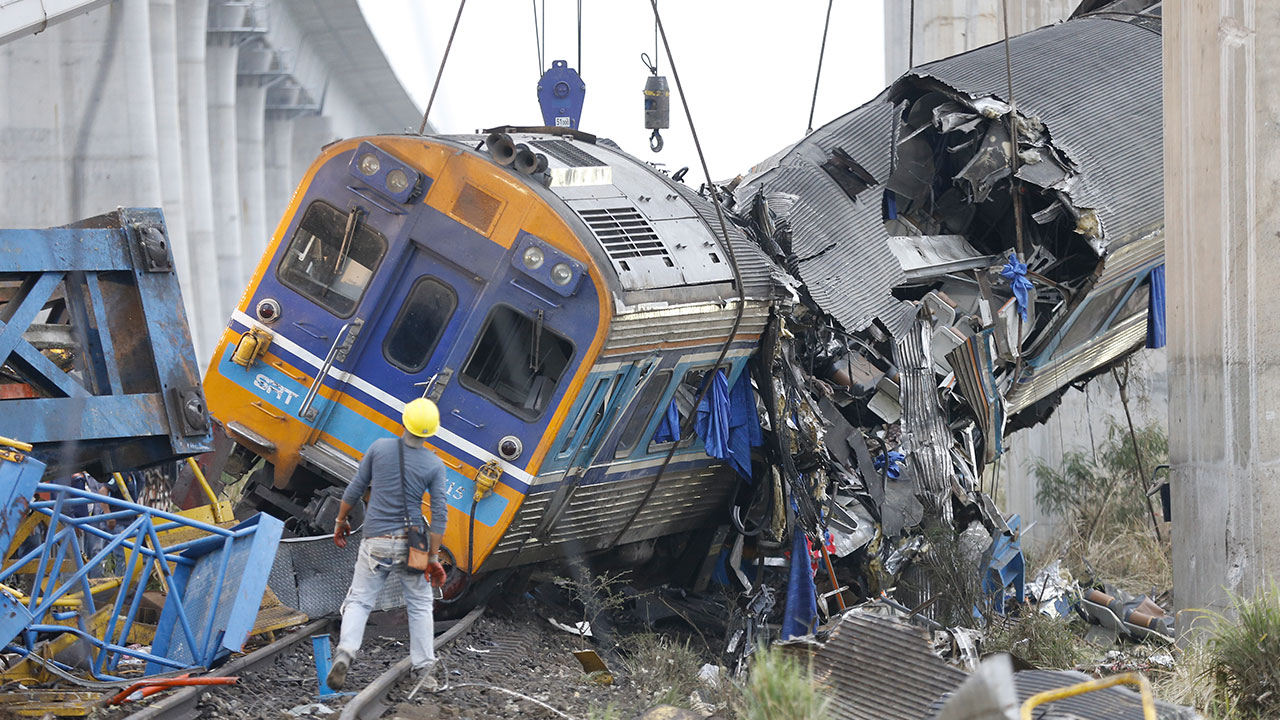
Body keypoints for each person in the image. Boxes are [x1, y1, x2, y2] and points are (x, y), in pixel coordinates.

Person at [326, 398, 449, 691]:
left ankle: (345, 652)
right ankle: (423, 667)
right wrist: (433, 557)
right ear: (430, 432)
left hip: (376, 539)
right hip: (414, 544)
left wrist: (340, 521)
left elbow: (356, 488)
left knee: (360, 599)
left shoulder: (379, 448)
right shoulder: (434, 464)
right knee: (420, 604)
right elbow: (441, 514)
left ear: (404, 422)